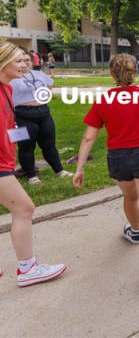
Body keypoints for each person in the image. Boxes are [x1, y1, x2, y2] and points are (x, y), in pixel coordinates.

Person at [72, 53, 139, 280]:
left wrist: (79, 168)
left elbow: (88, 138)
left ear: (111, 73)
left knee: (131, 197)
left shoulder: (104, 100)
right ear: (136, 72)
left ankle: (135, 231)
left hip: (117, 157)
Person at [0, 42, 66, 286]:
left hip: (5, 159)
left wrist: (16, 141)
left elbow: (7, 128)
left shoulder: (7, 89)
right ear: (3, 62)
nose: (25, 64)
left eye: (25, 60)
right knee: (24, 209)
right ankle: (28, 269)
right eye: (18, 61)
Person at [10, 52, 73, 185]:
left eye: (28, 60)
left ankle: (59, 171)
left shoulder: (38, 74)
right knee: (26, 147)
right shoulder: (12, 77)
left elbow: (50, 84)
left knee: (49, 145)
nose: (25, 63)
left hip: (43, 112)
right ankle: (31, 176)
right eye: (21, 60)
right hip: (21, 114)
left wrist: (43, 96)